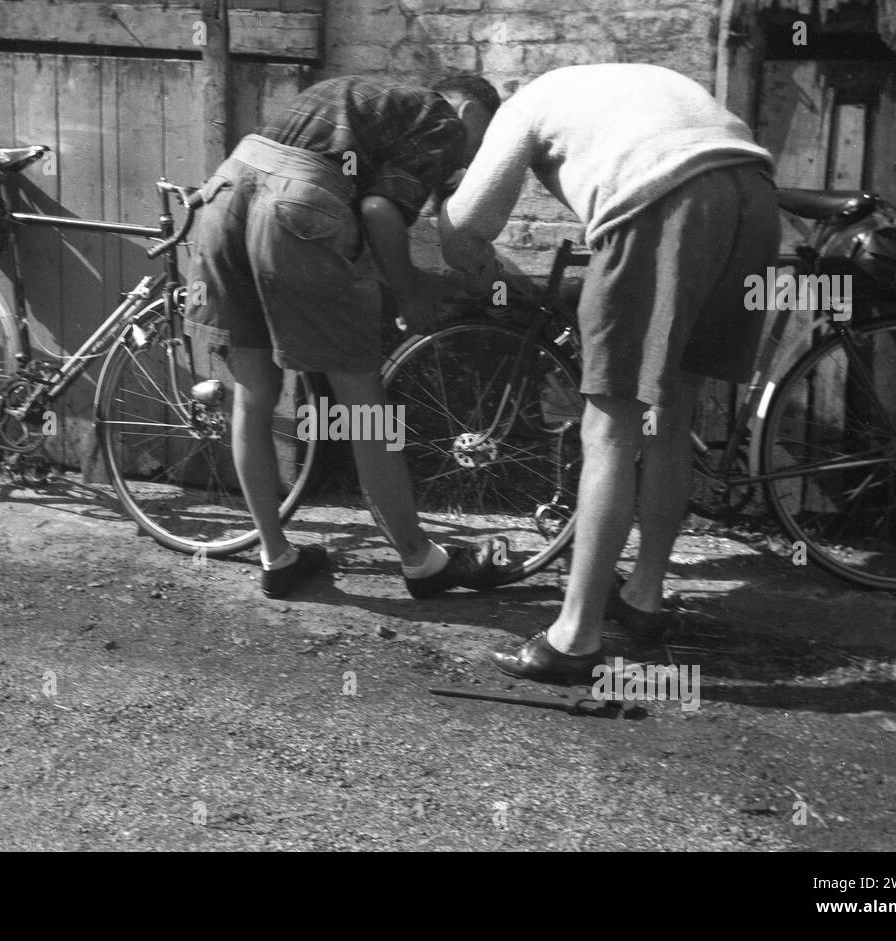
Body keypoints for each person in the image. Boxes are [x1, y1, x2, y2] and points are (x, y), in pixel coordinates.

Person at [438, 64, 780, 684]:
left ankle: (574, 638)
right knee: (671, 417)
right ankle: (643, 596)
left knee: (610, 432)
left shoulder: (525, 106)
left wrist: (484, 274)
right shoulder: (614, 82)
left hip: (664, 202)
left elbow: (465, 225)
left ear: (468, 118)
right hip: (753, 196)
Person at [185, 73, 505, 599]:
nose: (470, 160)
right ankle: (421, 562)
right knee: (363, 404)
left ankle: (276, 557)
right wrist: (407, 292)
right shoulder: (443, 119)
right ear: (470, 111)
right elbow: (379, 210)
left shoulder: (367, 96)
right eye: (483, 140)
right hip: (295, 205)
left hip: (225, 193)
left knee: (254, 393)